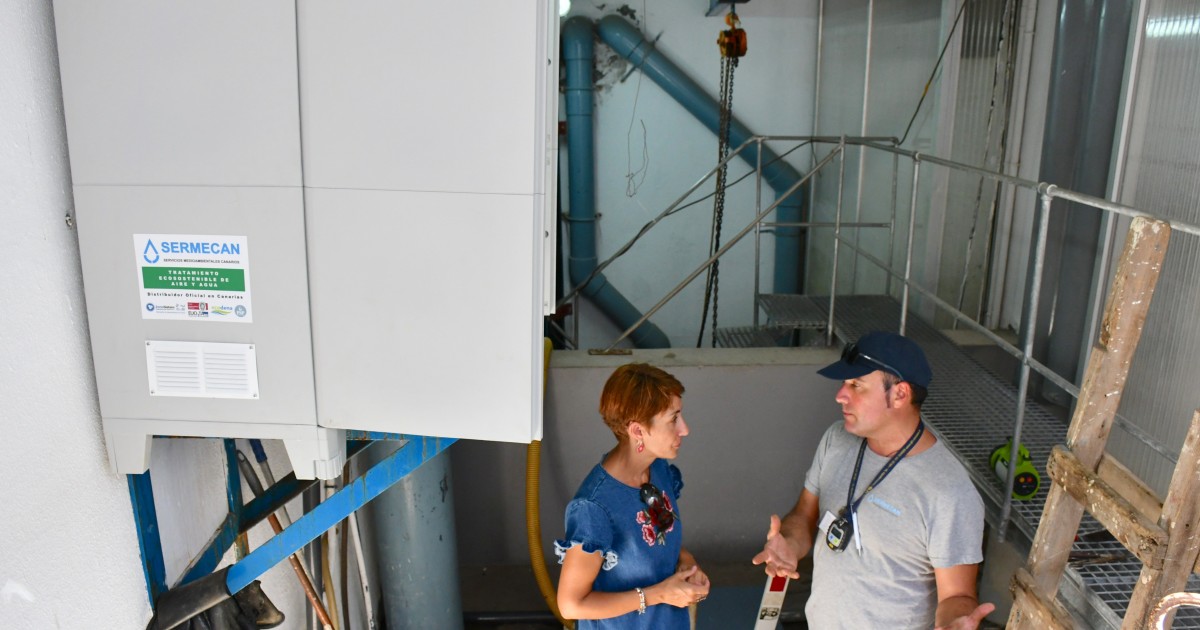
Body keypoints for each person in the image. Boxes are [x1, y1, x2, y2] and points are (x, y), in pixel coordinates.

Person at [752, 331, 994, 630]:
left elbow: (957, 595)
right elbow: (804, 514)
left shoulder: (948, 492)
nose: (840, 395)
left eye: (856, 385)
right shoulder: (836, 441)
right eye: (844, 383)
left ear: (900, 394)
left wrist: (956, 623)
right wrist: (789, 543)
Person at [556, 363, 710, 629]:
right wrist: (658, 594)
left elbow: (654, 546)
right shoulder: (594, 507)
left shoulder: (659, 470)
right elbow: (570, 605)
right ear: (637, 431)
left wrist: (687, 563)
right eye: (673, 419)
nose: (685, 429)